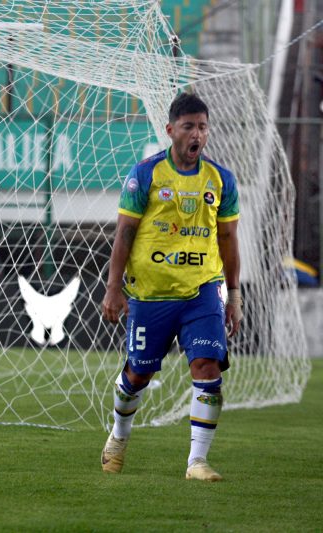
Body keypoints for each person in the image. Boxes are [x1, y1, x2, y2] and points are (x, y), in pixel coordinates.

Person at [100, 92, 242, 482]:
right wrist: (114, 287)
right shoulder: (145, 174)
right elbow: (124, 233)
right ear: (170, 131)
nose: (197, 134)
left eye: (203, 126)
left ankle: (197, 461)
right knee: (138, 375)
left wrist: (234, 296)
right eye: (189, 126)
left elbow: (228, 240)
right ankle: (119, 435)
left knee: (207, 365)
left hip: (202, 292)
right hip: (150, 295)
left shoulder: (220, 180)